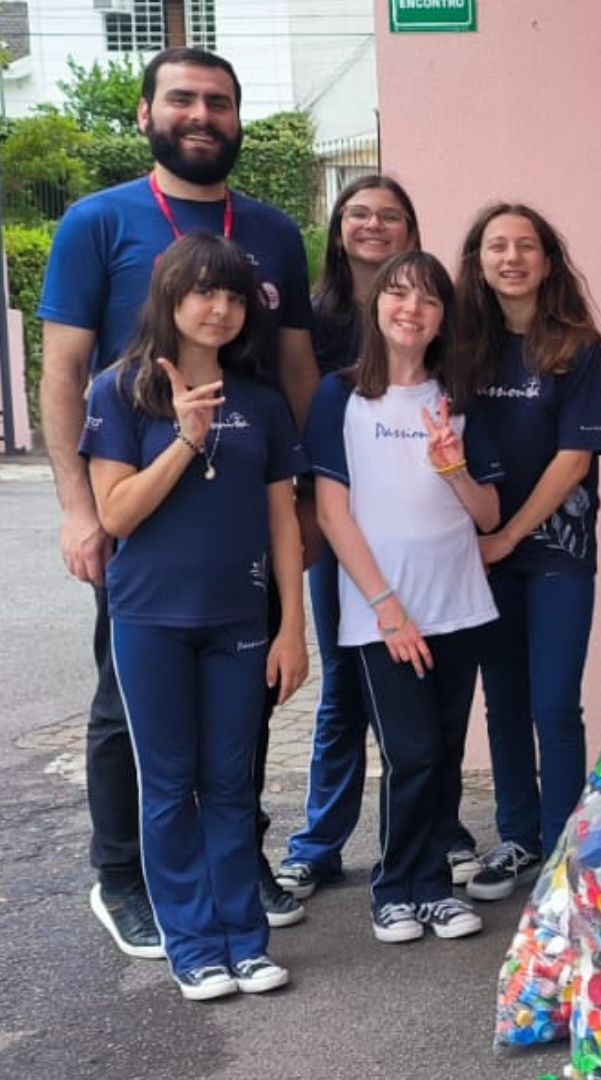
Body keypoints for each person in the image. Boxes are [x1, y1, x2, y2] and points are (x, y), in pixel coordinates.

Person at [38, 46, 319, 955]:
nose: (203, 115)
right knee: (131, 706)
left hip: (243, 497)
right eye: (184, 100)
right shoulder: (97, 221)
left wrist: (306, 494)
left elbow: (296, 369)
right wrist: (80, 509)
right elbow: (65, 370)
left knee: (248, 692)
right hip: (136, 506)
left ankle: (236, 866)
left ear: (239, 119)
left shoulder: (273, 231)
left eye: (221, 103)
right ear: (147, 113)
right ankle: (124, 877)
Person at [79, 234, 308, 1000]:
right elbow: (116, 513)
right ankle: (193, 945)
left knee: (232, 784)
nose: (220, 307)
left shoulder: (263, 402)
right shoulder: (120, 390)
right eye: (205, 291)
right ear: (171, 298)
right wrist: (184, 440)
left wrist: (291, 627)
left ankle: (245, 939)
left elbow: (284, 522)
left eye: (235, 294)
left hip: (239, 622)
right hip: (149, 622)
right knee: (170, 786)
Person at [275, 175, 489, 898]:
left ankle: (433, 857)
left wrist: (454, 471)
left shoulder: (455, 388)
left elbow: (483, 505)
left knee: (433, 745)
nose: (412, 307)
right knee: (356, 704)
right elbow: (331, 500)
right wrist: (384, 602)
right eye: (358, 214)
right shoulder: (321, 330)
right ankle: (328, 846)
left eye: (389, 216)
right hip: (366, 576)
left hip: (449, 590)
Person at [455, 203, 601, 901]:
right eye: (498, 246)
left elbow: (574, 460)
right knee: (505, 702)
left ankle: (561, 846)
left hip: (556, 551)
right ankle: (516, 836)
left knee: (553, 703)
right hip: (480, 553)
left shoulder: (577, 348)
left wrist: (509, 535)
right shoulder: (459, 346)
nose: (512, 257)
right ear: (479, 260)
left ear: (548, 262)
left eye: (526, 246)